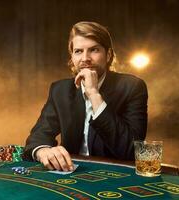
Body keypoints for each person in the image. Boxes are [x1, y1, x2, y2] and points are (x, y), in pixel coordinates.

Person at [23, 21, 148, 172]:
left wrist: (94, 94)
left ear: (108, 55)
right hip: (70, 175)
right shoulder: (60, 90)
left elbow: (131, 151)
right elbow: (38, 136)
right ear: (72, 57)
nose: (85, 58)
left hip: (115, 177)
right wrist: (43, 151)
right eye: (78, 51)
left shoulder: (132, 87)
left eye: (94, 50)